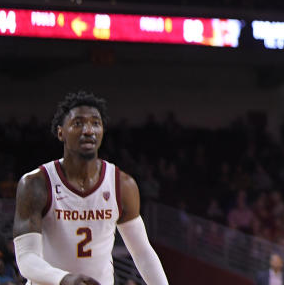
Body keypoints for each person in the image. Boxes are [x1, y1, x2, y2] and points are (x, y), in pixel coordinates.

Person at [12, 91, 169, 285]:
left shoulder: (122, 184)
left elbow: (142, 252)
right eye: (78, 123)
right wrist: (64, 279)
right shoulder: (36, 183)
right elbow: (26, 259)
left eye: (96, 123)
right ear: (61, 132)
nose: (88, 130)